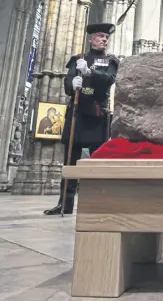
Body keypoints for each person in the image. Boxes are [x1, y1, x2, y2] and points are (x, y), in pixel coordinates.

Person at [43, 23, 119, 215]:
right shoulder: (78, 59)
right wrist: (72, 83)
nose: (104, 40)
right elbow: (67, 83)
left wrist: (89, 73)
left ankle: (95, 205)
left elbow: (109, 80)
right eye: (100, 36)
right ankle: (65, 204)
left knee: (96, 162)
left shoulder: (111, 61)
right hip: (77, 114)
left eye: (106, 37)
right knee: (70, 160)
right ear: (91, 39)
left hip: (97, 115)